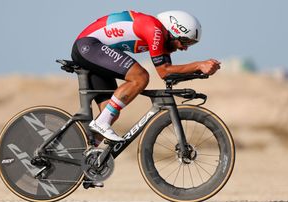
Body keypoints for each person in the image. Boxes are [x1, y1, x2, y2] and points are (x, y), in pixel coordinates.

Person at [71, 10, 221, 143]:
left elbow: (169, 75)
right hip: (88, 46)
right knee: (140, 77)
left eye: (190, 44)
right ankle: (100, 124)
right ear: (173, 31)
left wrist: (200, 72)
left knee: (110, 112)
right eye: (185, 41)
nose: (185, 48)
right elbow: (164, 71)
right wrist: (198, 65)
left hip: (93, 51)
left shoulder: (162, 39)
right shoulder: (154, 29)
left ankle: (88, 155)